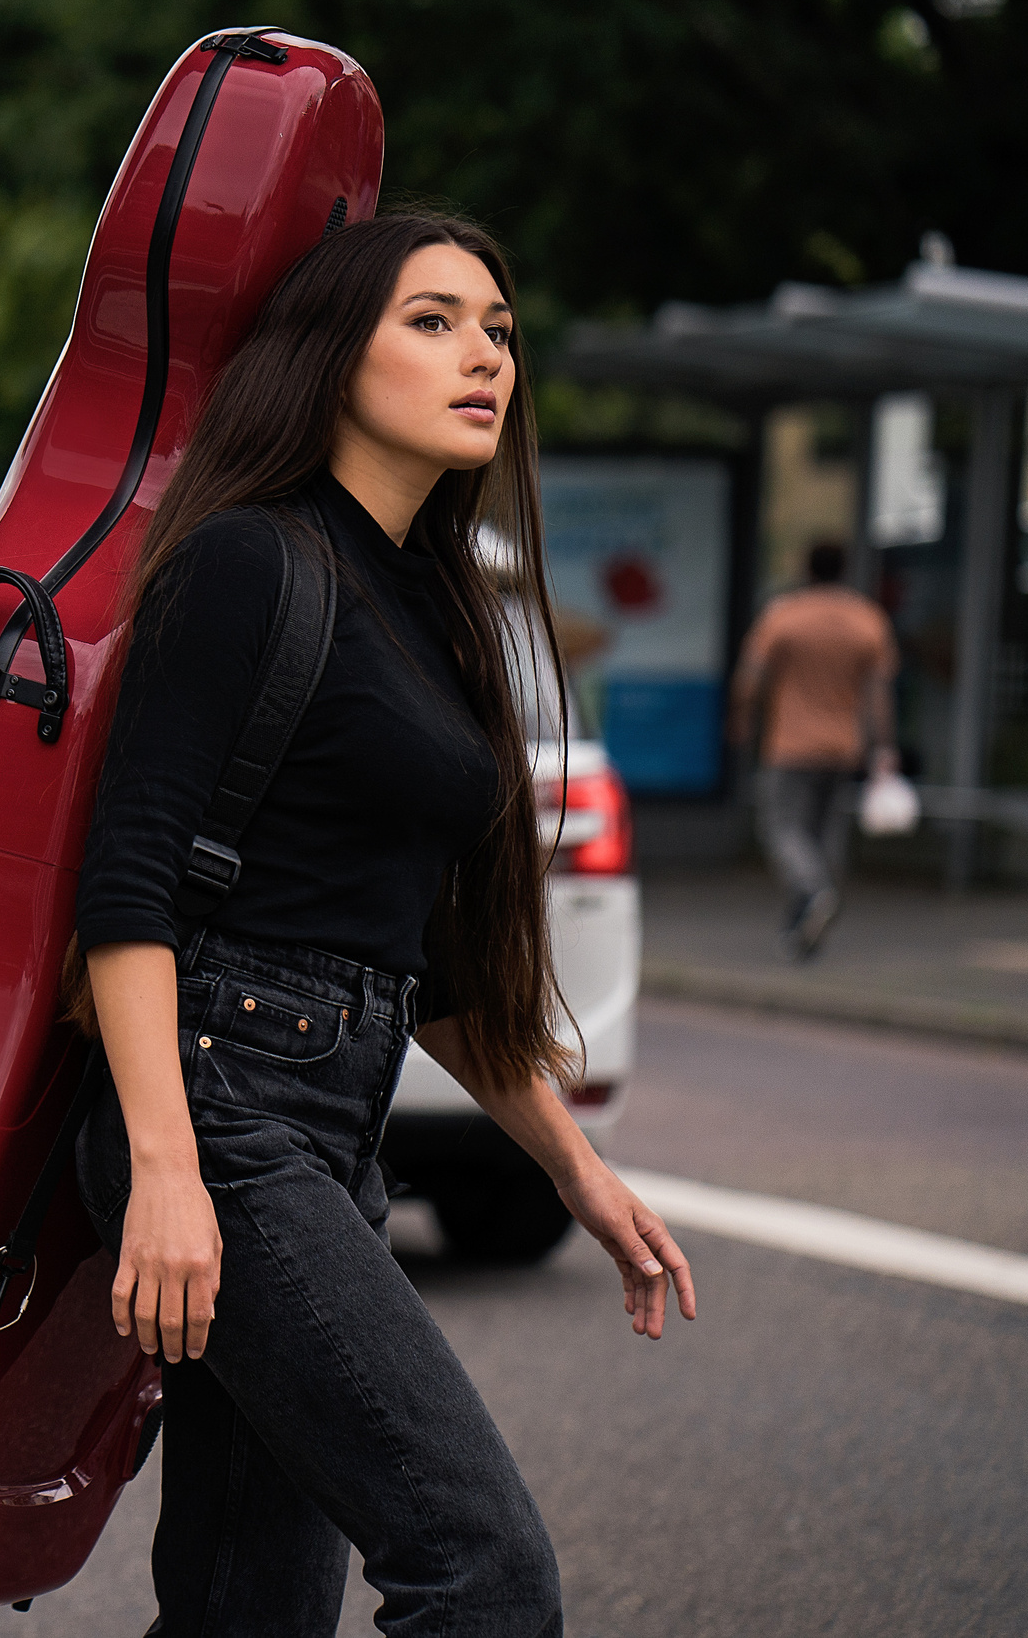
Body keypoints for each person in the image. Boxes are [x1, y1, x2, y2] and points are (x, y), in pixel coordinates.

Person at [69, 212, 697, 1637]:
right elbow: (131, 882)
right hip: (220, 1113)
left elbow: (438, 972)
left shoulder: (434, 602)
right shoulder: (247, 562)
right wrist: (168, 1170)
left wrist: (578, 1173)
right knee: (483, 1569)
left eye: (498, 330)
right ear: (330, 357)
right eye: (433, 320)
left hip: (330, 1124)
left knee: (250, 1613)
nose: (484, 356)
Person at [729, 542, 900, 959]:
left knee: (783, 829)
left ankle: (813, 892)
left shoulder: (784, 615)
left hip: (789, 745)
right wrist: (884, 745)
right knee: (825, 835)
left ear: (807, 570)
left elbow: (750, 677)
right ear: (844, 570)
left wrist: (741, 717)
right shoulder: (867, 619)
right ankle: (802, 928)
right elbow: (879, 692)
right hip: (843, 747)